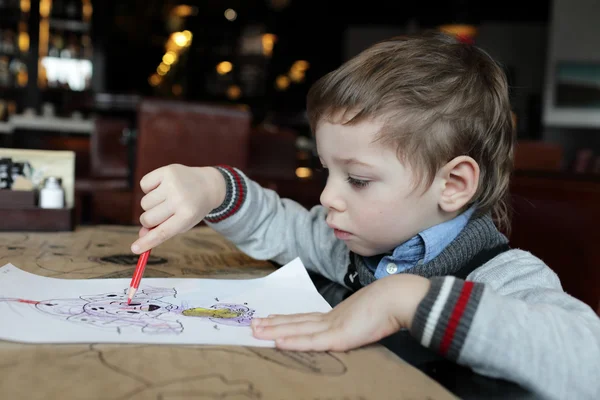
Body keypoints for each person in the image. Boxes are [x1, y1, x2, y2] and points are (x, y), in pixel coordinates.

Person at [130, 31, 600, 400]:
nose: (328, 196)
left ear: (453, 185)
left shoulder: (504, 276)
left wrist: (407, 299)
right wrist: (211, 186)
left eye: (357, 179)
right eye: (327, 171)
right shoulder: (346, 241)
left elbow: (587, 362)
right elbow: (275, 222)